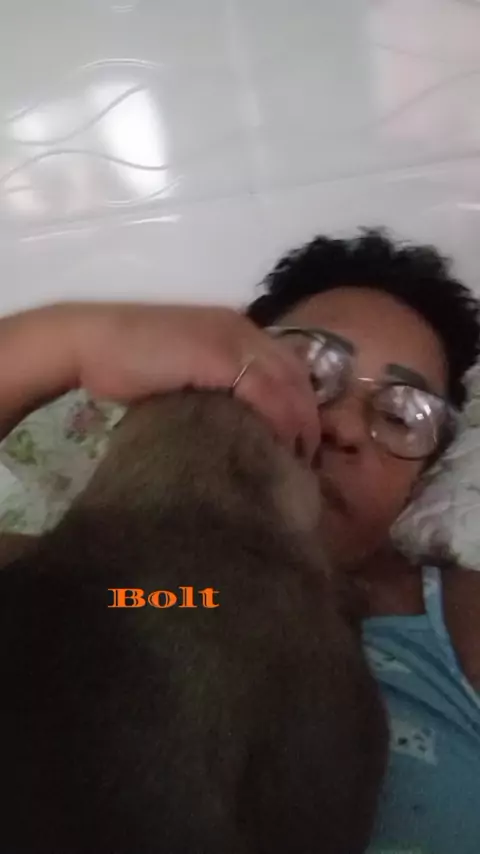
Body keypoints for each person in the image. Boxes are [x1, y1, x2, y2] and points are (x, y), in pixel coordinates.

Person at [1, 227, 479, 852]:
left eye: (402, 416)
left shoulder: (458, 620)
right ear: (214, 369)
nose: (340, 427)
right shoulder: (102, 589)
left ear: (423, 478)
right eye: (308, 372)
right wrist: (72, 340)